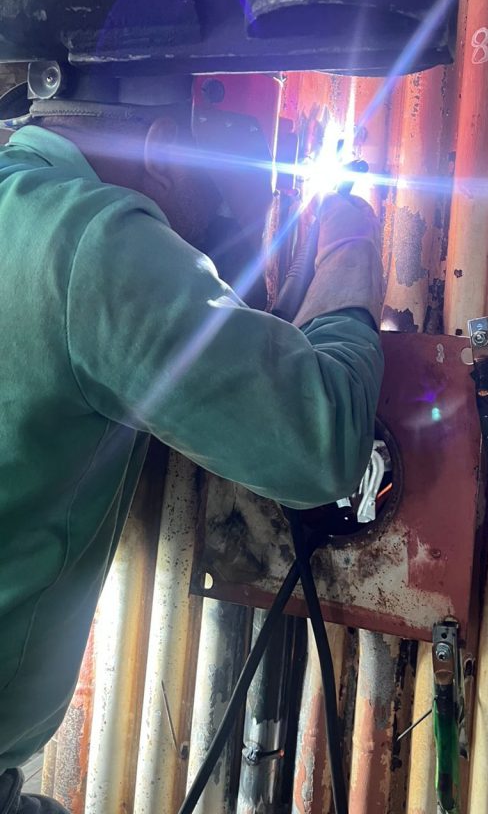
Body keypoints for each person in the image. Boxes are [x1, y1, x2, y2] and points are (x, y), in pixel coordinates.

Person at [0, 75, 385, 813]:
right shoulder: (90, 239)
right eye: (226, 197)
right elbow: (320, 441)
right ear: (167, 151)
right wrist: (350, 246)